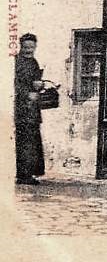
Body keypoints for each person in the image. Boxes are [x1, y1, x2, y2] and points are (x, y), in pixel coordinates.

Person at [15, 33, 45, 185]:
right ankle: (23, 175)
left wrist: (40, 85)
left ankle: (31, 173)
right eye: (26, 47)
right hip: (20, 108)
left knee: (33, 141)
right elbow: (14, 84)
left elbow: (36, 80)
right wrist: (27, 93)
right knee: (24, 142)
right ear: (21, 47)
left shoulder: (34, 62)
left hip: (32, 109)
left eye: (31, 47)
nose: (29, 50)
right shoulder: (16, 62)